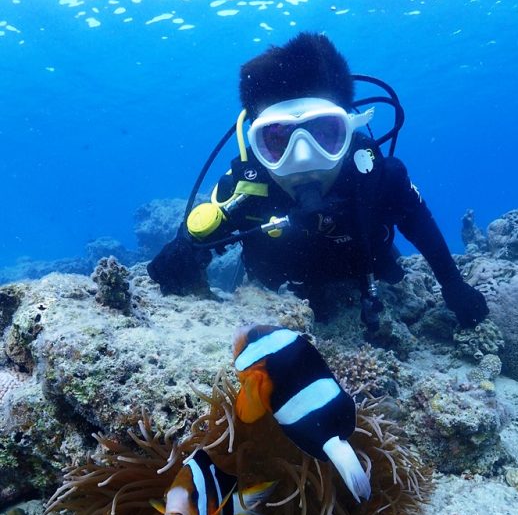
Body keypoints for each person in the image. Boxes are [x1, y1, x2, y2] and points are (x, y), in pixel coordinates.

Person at [148, 32, 488, 331]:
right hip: (274, 291)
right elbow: (201, 236)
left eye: (324, 133)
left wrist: (453, 284)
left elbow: (419, 222)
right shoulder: (245, 188)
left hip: (365, 281)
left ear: (349, 129)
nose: (302, 160)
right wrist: (182, 253)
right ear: (255, 141)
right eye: (278, 139)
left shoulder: (378, 178)